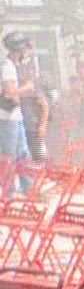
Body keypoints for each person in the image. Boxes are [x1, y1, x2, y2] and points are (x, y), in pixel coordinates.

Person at [0, 34, 30, 190]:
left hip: (15, 117)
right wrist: (27, 87)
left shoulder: (13, 65)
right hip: (7, 118)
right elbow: (10, 92)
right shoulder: (7, 67)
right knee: (9, 157)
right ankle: (9, 191)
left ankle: (28, 188)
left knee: (22, 154)